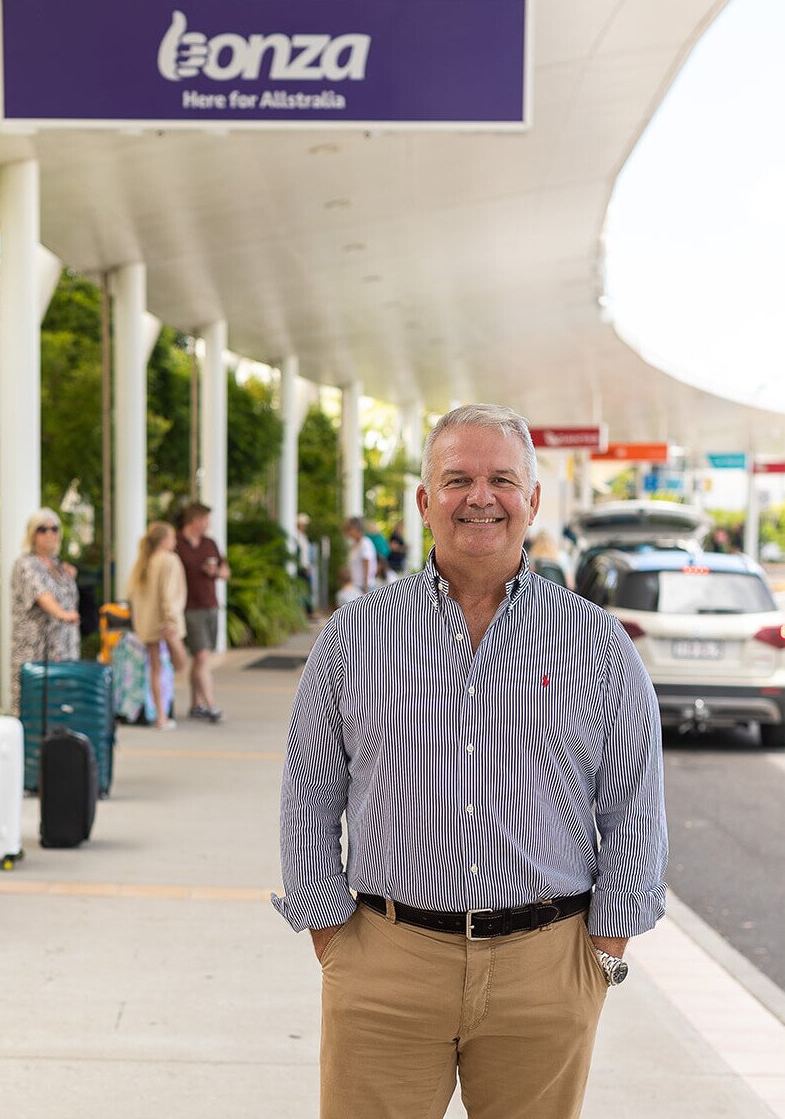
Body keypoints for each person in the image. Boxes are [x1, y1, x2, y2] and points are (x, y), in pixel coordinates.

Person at [275, 403, 667, 1119]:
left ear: (532, 501)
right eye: (457, 479)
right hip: (385, 964)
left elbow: (634, 809)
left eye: (501, 480)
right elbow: (307, 794)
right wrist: (333, 939)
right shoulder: (353, 637)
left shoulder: (598, 645)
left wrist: (599, 958)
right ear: (425, 502)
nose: (480, 497)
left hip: (546, 970)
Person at [10, 508, 80, 713]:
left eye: (54, 529)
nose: (50, 533)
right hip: (37, 650)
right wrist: (62, 614)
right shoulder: (26, 564)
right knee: (35, 708)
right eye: (43, 529)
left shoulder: (59, 566)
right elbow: (42, 595)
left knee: (60, 707)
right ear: (32, 534)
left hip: (63, 649)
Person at [126, 521, 188, 731]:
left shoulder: (144, 562)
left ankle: (161, 715)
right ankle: (163, 714)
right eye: (172, 537)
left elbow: (132, 595)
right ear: (164, 540)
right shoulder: (169, 560)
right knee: (180, 665)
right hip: (165, 623)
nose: (175, 541)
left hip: (147, 625)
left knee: (155, 669)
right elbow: (169, 594)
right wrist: (172, 621)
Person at [175, 502, 230, 722]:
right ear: (195, 520)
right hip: (189, 607)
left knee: (200, 659)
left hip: (211, 604)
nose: (208, 524)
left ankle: (195, 704)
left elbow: (226, 572)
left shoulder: (210, 544)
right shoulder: (177, 542)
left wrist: (215, 571)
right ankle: (210, 704)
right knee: (202, 655)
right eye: (205, 520)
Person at [344, 516, 376, 595]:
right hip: (356, 585)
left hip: (364, 587)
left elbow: (367, 565)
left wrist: (365, 588)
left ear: (356, 529)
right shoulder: (355, 544)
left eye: (349, 529)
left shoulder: (365, 543)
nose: (348, 533)